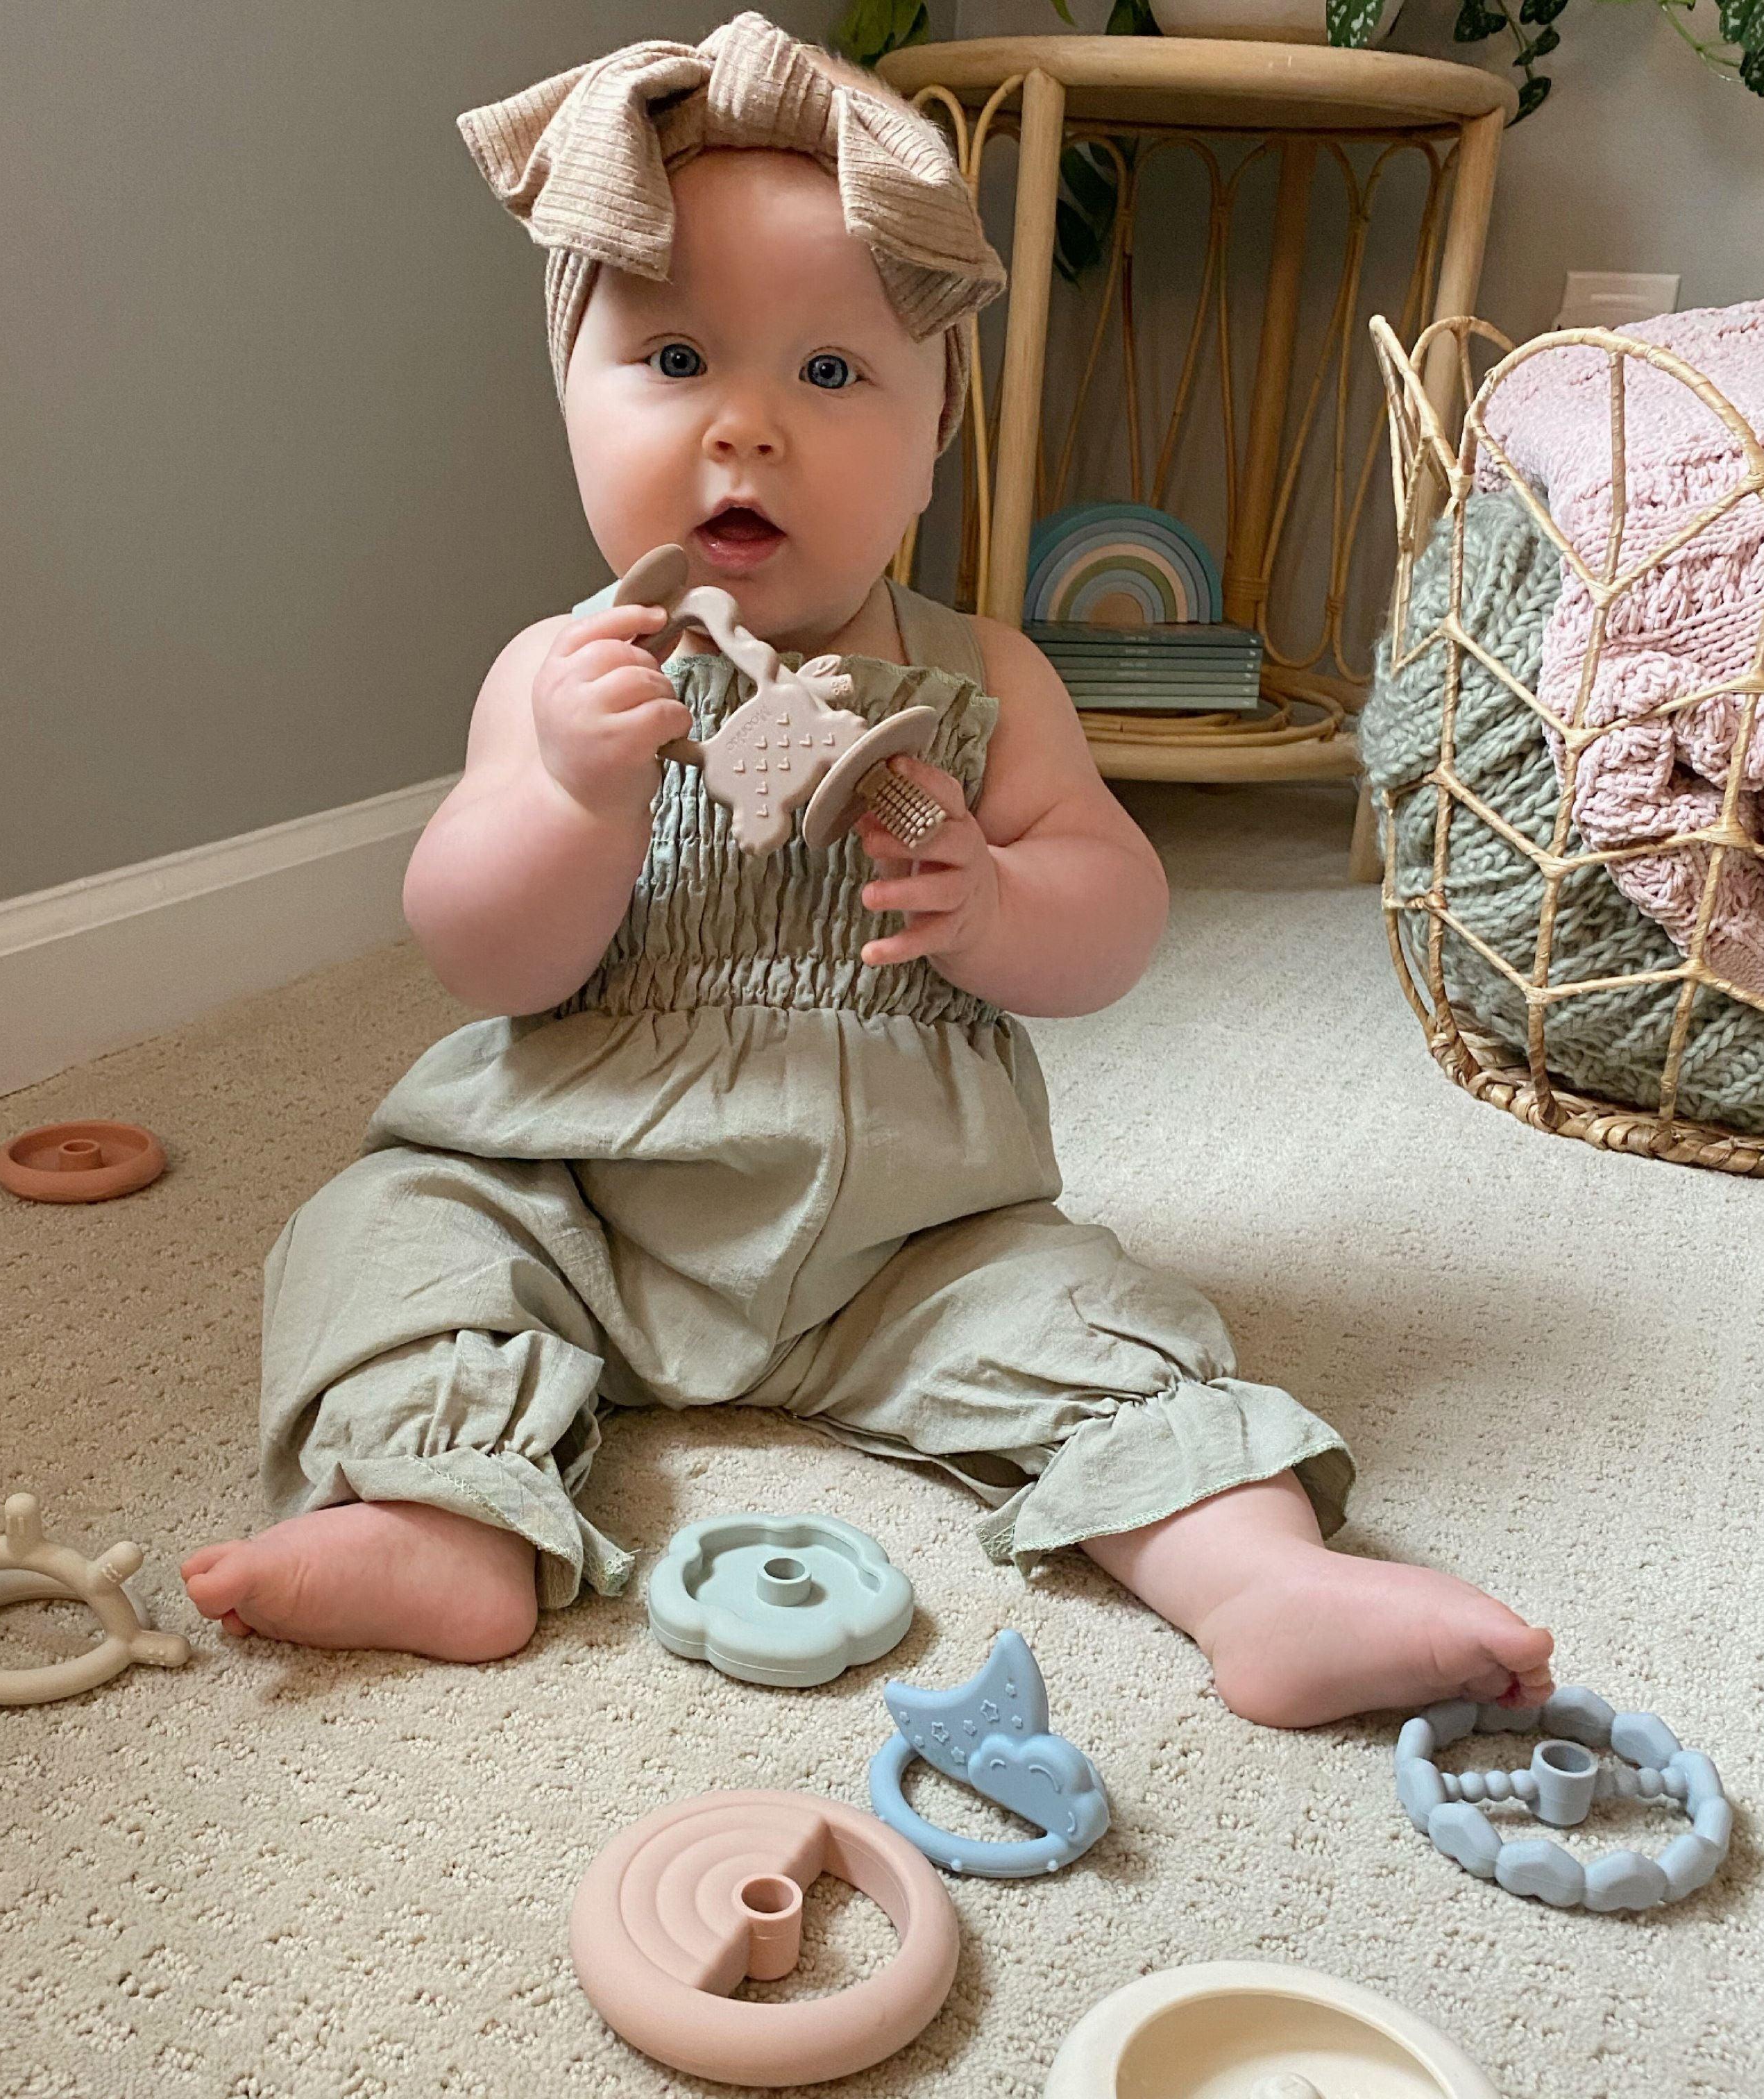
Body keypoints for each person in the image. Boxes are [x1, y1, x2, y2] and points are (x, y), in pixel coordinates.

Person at [182, 14, 1552, 1728]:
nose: (746, 429)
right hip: (580, 1197)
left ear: (933, 436)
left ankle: (1258, 1578)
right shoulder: (558, 672)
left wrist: (998, 900)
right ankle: (439, 1510)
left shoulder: (990, 679)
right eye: (676, 363)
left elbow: (1117, 918)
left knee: (1104, 1319)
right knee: (385, 1231)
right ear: (573, 402)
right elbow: (483, 955)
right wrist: (573, 801)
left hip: (909, 1238)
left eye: (832, 375)